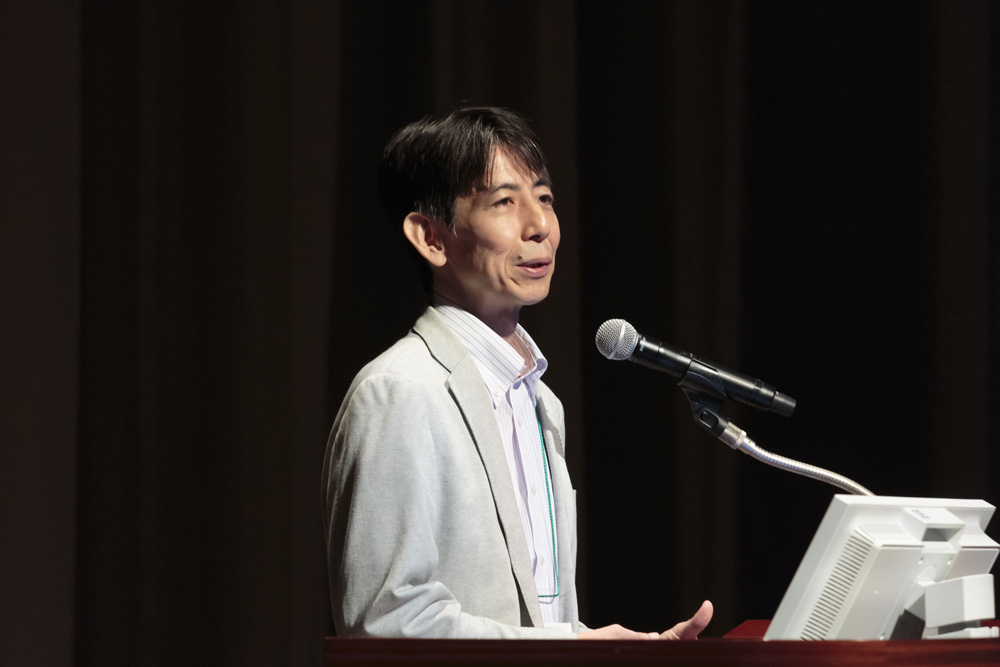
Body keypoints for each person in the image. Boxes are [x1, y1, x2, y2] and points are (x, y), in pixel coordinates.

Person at [322, 106, 713, 639]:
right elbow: (386, 622)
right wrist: (573, 649)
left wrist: (605, 650)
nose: (540, 227)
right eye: (505, 202)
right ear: (431, 237)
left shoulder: (542, 402)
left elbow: (537, 618)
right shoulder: (399, 391)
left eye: (544, 198)